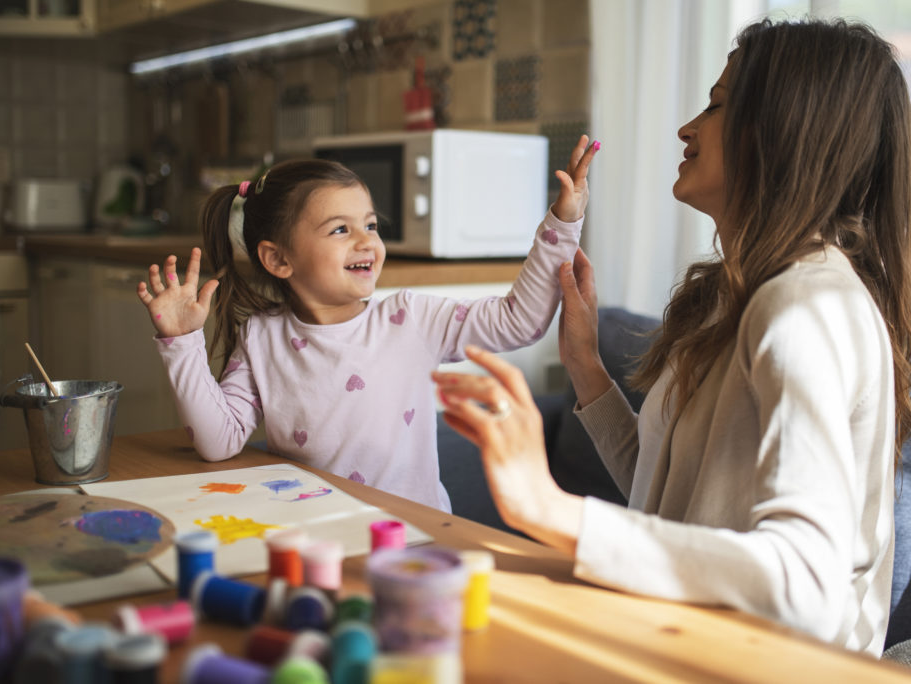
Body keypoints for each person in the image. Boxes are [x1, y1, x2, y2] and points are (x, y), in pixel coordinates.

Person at [431, 17, 911, 655]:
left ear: (781, 132)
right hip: (680, 641)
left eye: (718, 105)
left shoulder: (807, 309)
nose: (687, 127)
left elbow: (808, 582)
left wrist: (550, 509)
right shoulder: (740, 296)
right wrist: (586, 367)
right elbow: (669, 501)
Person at [136, 138, 598, 512]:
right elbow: (218, 443)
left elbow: (518, 321)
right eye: (341, 229)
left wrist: (564, 221)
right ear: (278, 259)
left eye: (371, 225)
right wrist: (182, 342)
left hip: (413, 537)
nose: (366, 241)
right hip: (314, 535)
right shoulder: (261, 337)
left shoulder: (412, 319)